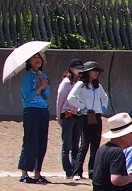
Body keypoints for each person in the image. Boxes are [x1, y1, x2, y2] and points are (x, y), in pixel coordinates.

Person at [67, 62, 111, 177]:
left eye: (97, 71)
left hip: (97, 116)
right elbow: (71, 97)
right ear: (87, 72)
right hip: (85, 116)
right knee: (85, 144)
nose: (96, 73)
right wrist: (82, 106)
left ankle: (92, 171)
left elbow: (105, 97)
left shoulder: (97, 85)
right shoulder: (81, 84)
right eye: (94, 70)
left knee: (95, 144)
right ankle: (77, 172)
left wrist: (102, 108)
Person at [17, 50, 52, 184]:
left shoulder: (42, 75)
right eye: (34, 57)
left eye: (39, 57)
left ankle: (38, 173)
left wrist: (43, 86)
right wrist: (40, 86)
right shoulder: (26, 77)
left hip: (43, 110)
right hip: (31, 110)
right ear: (29, 61)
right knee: (30, 141)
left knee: (42, 142)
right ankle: (25, 173)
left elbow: (47, 95)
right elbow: (28, 97)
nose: (38, 60)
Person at [57, 58, 86, 179]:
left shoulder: (80, 83)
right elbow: (60, 100)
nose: (80, 70)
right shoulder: (66, 83)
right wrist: (59, 116)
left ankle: (75, 170)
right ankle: (68, 171)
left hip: (78, 115)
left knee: (76, 145)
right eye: (77, 68)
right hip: (67, 115)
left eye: (81, 68)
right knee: (66, 145)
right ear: (71, 69)